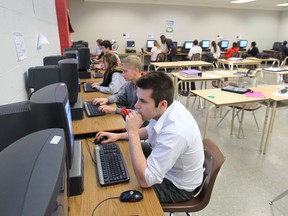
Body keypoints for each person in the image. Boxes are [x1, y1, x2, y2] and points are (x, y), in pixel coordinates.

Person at [95, 71, 204, 203]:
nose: (136, 106)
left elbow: (145, 181)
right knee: (122, 151)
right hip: (168, 165)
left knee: (117, 197)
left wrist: (133, 133)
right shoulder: (166, 107)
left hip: (176, 187)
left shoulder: (176, 132)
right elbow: (149, 130)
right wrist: (118, 136)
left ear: (162, 104)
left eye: (142, 101)